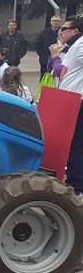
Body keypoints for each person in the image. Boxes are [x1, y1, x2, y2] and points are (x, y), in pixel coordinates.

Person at [57, 17, 83, 193]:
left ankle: (77, 186)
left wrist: (54, 58)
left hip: (77, 100)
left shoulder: (80, 45)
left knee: (75, 144)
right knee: (72, 143)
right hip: (70, 99)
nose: (61, 32)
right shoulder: (74, 46)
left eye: (64, 29)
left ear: (75, 31)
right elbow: (61, 71)